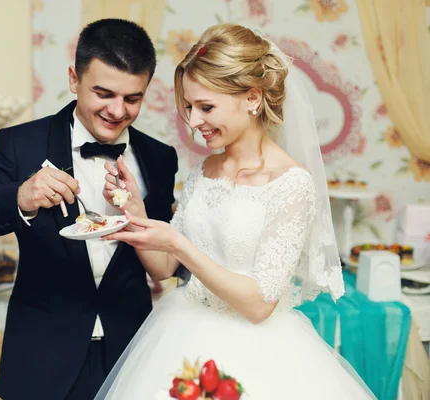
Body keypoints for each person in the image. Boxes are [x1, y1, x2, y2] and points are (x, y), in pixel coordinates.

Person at [95, 24, 376, 399]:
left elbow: (259, 305)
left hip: (256, 349)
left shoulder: (291, 183)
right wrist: (135, 209)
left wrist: (179, 245)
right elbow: (162, 269)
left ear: (253, 98)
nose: (193, 123)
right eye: (190, 108)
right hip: (178, 333)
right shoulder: (205, 170)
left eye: (206, 107)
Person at [0, 18, 178, 400]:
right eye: (103, 93)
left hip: (133, 358)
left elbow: (164, 263)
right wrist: (19, 197)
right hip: (41, 364)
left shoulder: (160, 159)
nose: (118, 110)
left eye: (133, 98)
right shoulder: (20, 145)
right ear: (73, 79)